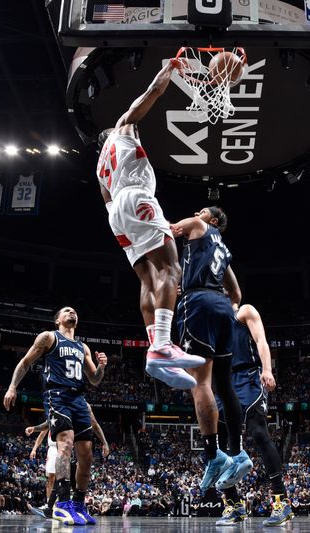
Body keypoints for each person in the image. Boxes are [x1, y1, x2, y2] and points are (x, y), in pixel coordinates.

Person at [96, 58, 205, 389]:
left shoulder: (101, 167)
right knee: (171, 270)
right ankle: (160, 346)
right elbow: (151, 93)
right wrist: (169, 69)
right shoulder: (123, 130)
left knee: (148, 277)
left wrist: (148, 220)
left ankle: (156, 348)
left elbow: (112, 203)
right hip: (137, 197)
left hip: (117, 214)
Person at [170, 207, 250, 517]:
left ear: (213, 220)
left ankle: (212, 454)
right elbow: (237, 292)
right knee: (224, 383)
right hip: (221, 308)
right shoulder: (225, 251)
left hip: (199, 304)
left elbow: (166, 229)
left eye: (202, 211)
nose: (196, 212)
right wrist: (226, 308)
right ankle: (238, 451)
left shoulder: (197, 226)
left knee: (200, 382)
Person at [3, 306, 107, 526]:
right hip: (57, 395)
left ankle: (78, 504)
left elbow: (95, 380)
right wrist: (12, 387)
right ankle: (63, 502)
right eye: (67, 311)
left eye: (75, 311)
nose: (72, 313)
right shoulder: (49, 337)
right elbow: (25, 362)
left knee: (86, 454)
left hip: (79, 398)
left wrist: (101, 366)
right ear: (58, 319)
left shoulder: (82, 347)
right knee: (65, 442)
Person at [215, 304, 293, 526]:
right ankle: (234, 506)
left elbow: (261, 341)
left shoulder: (244, 312)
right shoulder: (212, 321)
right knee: (224, 447)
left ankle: (281, 501)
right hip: (224, 383)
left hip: (248, 377)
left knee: (259, 433)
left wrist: (267, 369)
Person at [26, 403, 110, 518]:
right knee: (61, 480)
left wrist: (104, 442)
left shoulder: (84, 406)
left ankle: (75, 508)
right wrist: (35, 428)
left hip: (80, 447)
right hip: (69, 449)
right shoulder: (62, 404)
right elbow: (49, 422)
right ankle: (52, 508)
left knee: (75, 481)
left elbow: (95, 425)